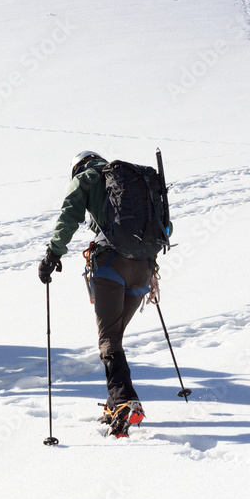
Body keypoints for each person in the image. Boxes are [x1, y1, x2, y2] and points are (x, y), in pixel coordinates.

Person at [38, 151, 152, 438]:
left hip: (111, 265)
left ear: (78, 166)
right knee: (113, 338)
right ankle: (115, 403)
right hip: (144, 268)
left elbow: (69, 216)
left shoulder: (86, 178)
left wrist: (52, 255)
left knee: (109, 339)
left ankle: (125, 400)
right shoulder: (133, 181)